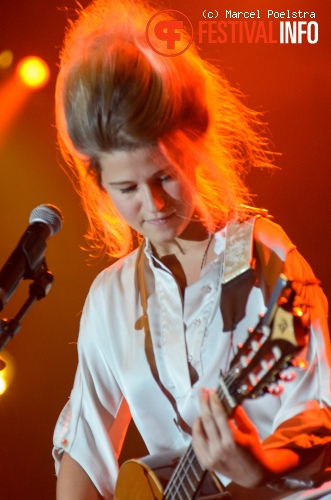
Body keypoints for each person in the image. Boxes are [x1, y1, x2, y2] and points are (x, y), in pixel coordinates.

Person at [53, 0, 331, 498]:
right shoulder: (108, 298)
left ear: (196, 145)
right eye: (127, 190)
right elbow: (83, 452)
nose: (153, 204)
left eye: (164, 176)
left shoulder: (264, 255)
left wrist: (261, 465)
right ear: (100, 185)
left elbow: (319, 413)